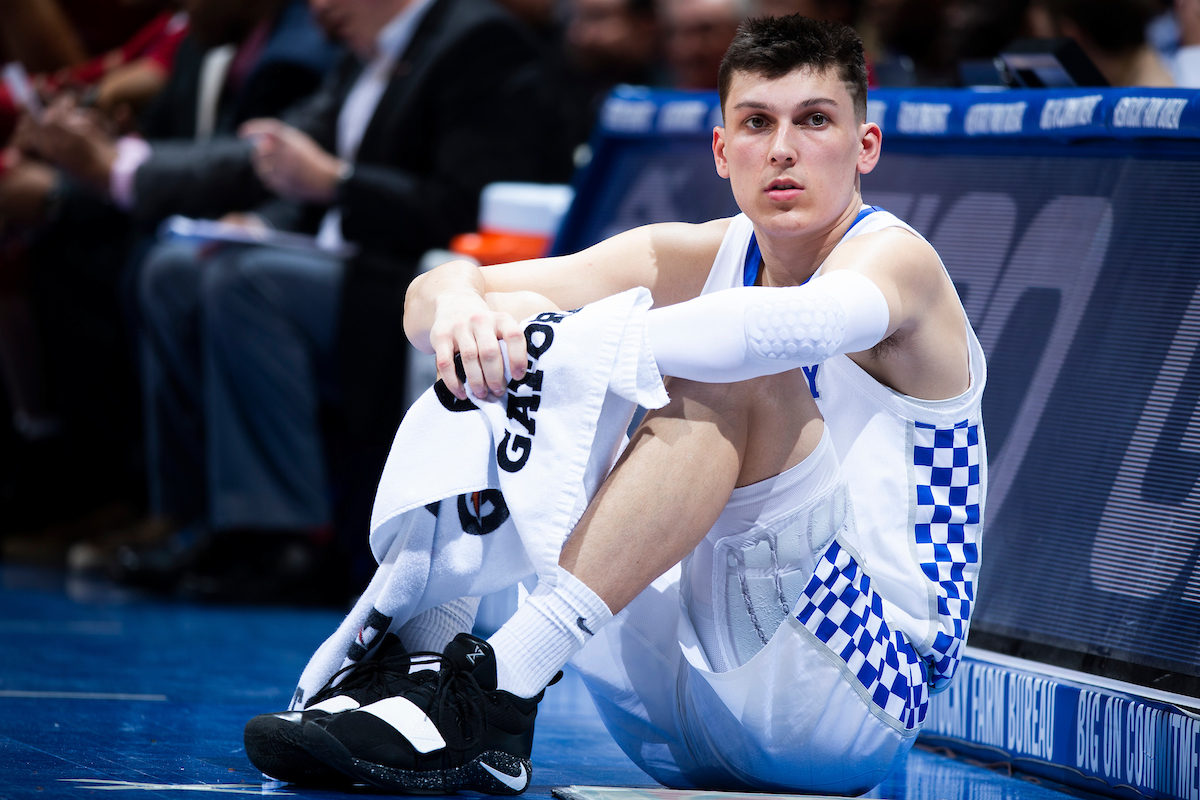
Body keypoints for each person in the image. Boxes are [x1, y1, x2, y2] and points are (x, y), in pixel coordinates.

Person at [245, 14, 986, 794]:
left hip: (853, 694)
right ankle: (422, 661)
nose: (782, 148)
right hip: (677, 700)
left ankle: (503, 687)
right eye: (757, 123)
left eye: (814, 121)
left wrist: (563, 345)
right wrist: (468, 310)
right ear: (721, 149)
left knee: (723, 369)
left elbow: (779, 329)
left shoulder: (896, 261)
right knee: (506, 333)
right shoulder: (696, 252)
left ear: (865, 145)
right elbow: (433, 293)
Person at [118, 0, 564, 602]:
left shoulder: (480, 41)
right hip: (337, 260)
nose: (318, 8)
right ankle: (195, 519)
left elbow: (464, 205)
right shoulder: (358, 55)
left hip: (415, 278)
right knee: (173, 269)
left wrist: (340, 184)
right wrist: (263, 220)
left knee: (246, 282)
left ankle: (285, 536)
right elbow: (300, 181)